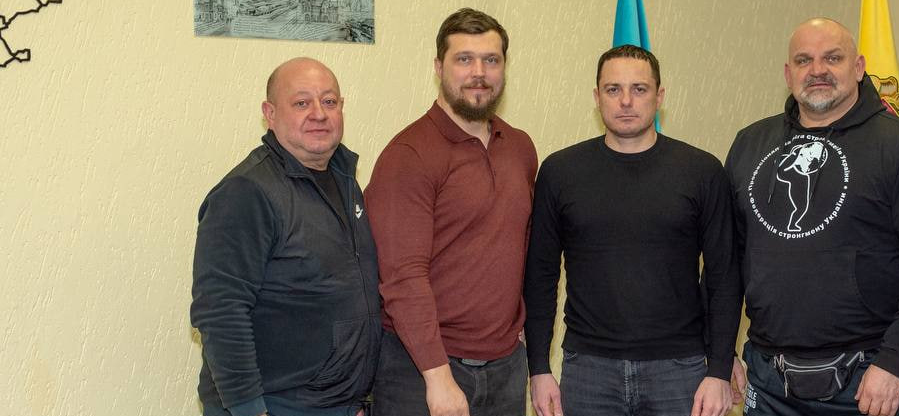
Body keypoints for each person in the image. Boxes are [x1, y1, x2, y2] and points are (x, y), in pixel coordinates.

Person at [722, 17, 899, 416]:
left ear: (858, 68)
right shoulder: (749, 144)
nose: (817, 70)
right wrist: (721, 354)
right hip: (769, 379)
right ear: (788, 74)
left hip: (871, 379)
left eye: (832, 58)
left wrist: (895, 360)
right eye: (804, 60)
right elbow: (728, 261)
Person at [523, 45, 741, 416]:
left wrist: (720, 369)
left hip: (680, 370)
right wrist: (539, 368)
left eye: (639, 89)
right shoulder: (560, 172)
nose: (626, 101)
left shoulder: (702, 172)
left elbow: (724, 276)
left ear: (660, 96)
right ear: (597, 97)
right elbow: (540, 276)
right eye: (613, 89)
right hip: (588, 369)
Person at [363, 7, 536, 416]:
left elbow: (522, 248)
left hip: (506, 366)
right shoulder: (408, 154)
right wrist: (437, 377)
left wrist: (520, 334)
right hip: (423, 368)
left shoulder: (520, 147)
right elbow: (402, 277)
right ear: (439, 67)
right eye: (464, 59)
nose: (479, 72)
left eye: (491, 60)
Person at [192, 57, 380, 416]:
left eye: (329, 101)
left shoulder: (344, 178)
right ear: (270, 113)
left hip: (335, 404)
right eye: (301, 103)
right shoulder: (247, 192)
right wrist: (249, 410)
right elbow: (220, 310)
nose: (319, 114)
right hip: (274, 404)